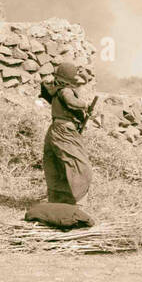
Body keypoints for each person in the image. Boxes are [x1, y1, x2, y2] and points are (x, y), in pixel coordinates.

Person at [40, 61, 96, 205]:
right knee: (81, 166)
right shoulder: (65, 90)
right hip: (64, 131)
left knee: (57, 164)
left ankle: (59, 199)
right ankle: (77, 201)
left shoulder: (56, 88)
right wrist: (86, 105)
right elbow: (71, 102)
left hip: (55, 129)